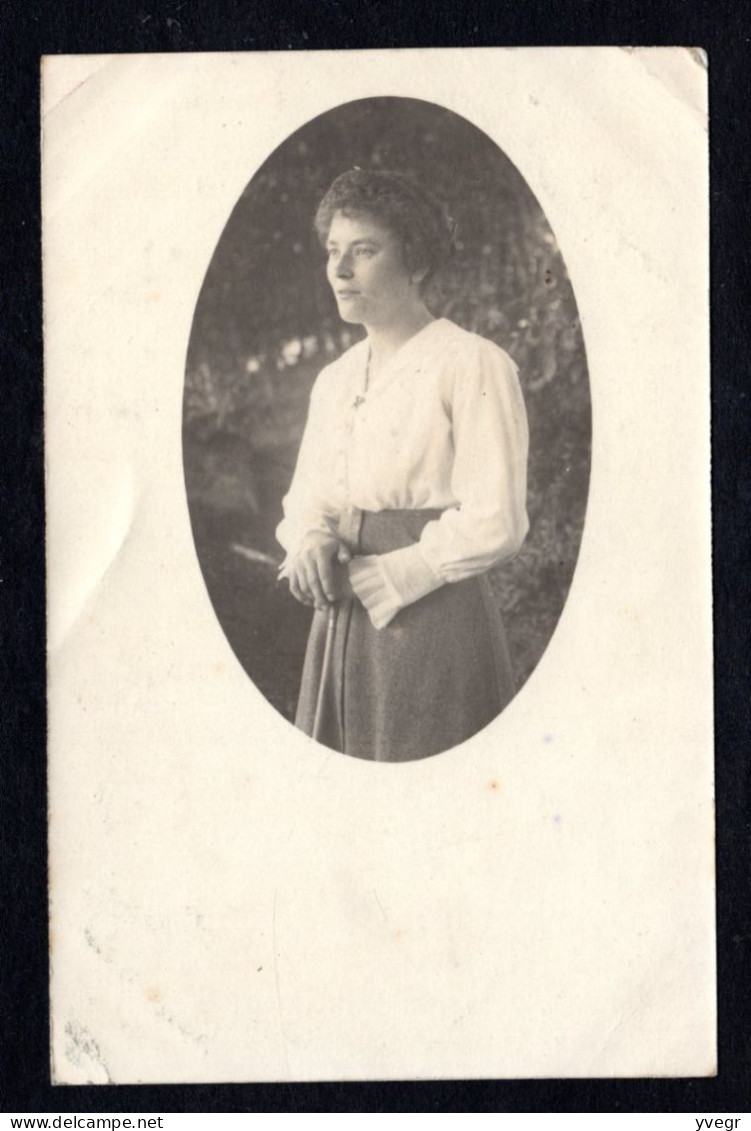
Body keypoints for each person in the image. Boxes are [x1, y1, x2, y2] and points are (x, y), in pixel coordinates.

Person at [276, 168, 529, 762]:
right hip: (340, 621)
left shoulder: (471, 364)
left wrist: (394, 577)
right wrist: (310, 537)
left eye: (363, 252)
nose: (340, 271)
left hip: (432, 618)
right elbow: (308, 495)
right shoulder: (334, 379)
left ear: (415, 262)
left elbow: (497, 519)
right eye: (334, 251)